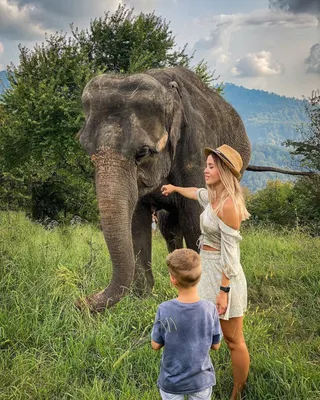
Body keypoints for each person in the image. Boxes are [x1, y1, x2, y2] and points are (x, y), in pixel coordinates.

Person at [161, 144, 250, 400]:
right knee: (201, 331)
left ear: (223, 171)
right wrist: (175, 188)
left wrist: (224, 291)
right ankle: (196, 381)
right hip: (207, 271)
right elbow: (195, 193)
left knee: (234, 340)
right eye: (207, 165)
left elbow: (231, 256)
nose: (205, 170)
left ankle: (237, 394)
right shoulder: (213, 197)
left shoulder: (228, 205)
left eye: (211, 166)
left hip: (224, 276)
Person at [151, 248, 222, 400]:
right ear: (200, 277)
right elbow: (216, 345)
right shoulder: (210, 309)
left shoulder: (164, 309)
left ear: (173, 279)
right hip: (201, 381)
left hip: (172, 382)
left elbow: (155, 345)